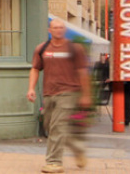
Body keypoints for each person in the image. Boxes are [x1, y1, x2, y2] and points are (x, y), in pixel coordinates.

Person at [27, 19, 90, 174]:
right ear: (50, 30)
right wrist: (31, 88)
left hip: (69, 92)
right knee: (50, 126)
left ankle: (54, 162)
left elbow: (83, 73)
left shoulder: (75, 48)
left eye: (61, 27)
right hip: (49, 92)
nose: (59, 30)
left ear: (64, 29)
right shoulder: (42, 49)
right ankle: (77, 149)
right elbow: (35, 69)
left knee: (57, 126)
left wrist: (86, 95)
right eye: (55, 27)